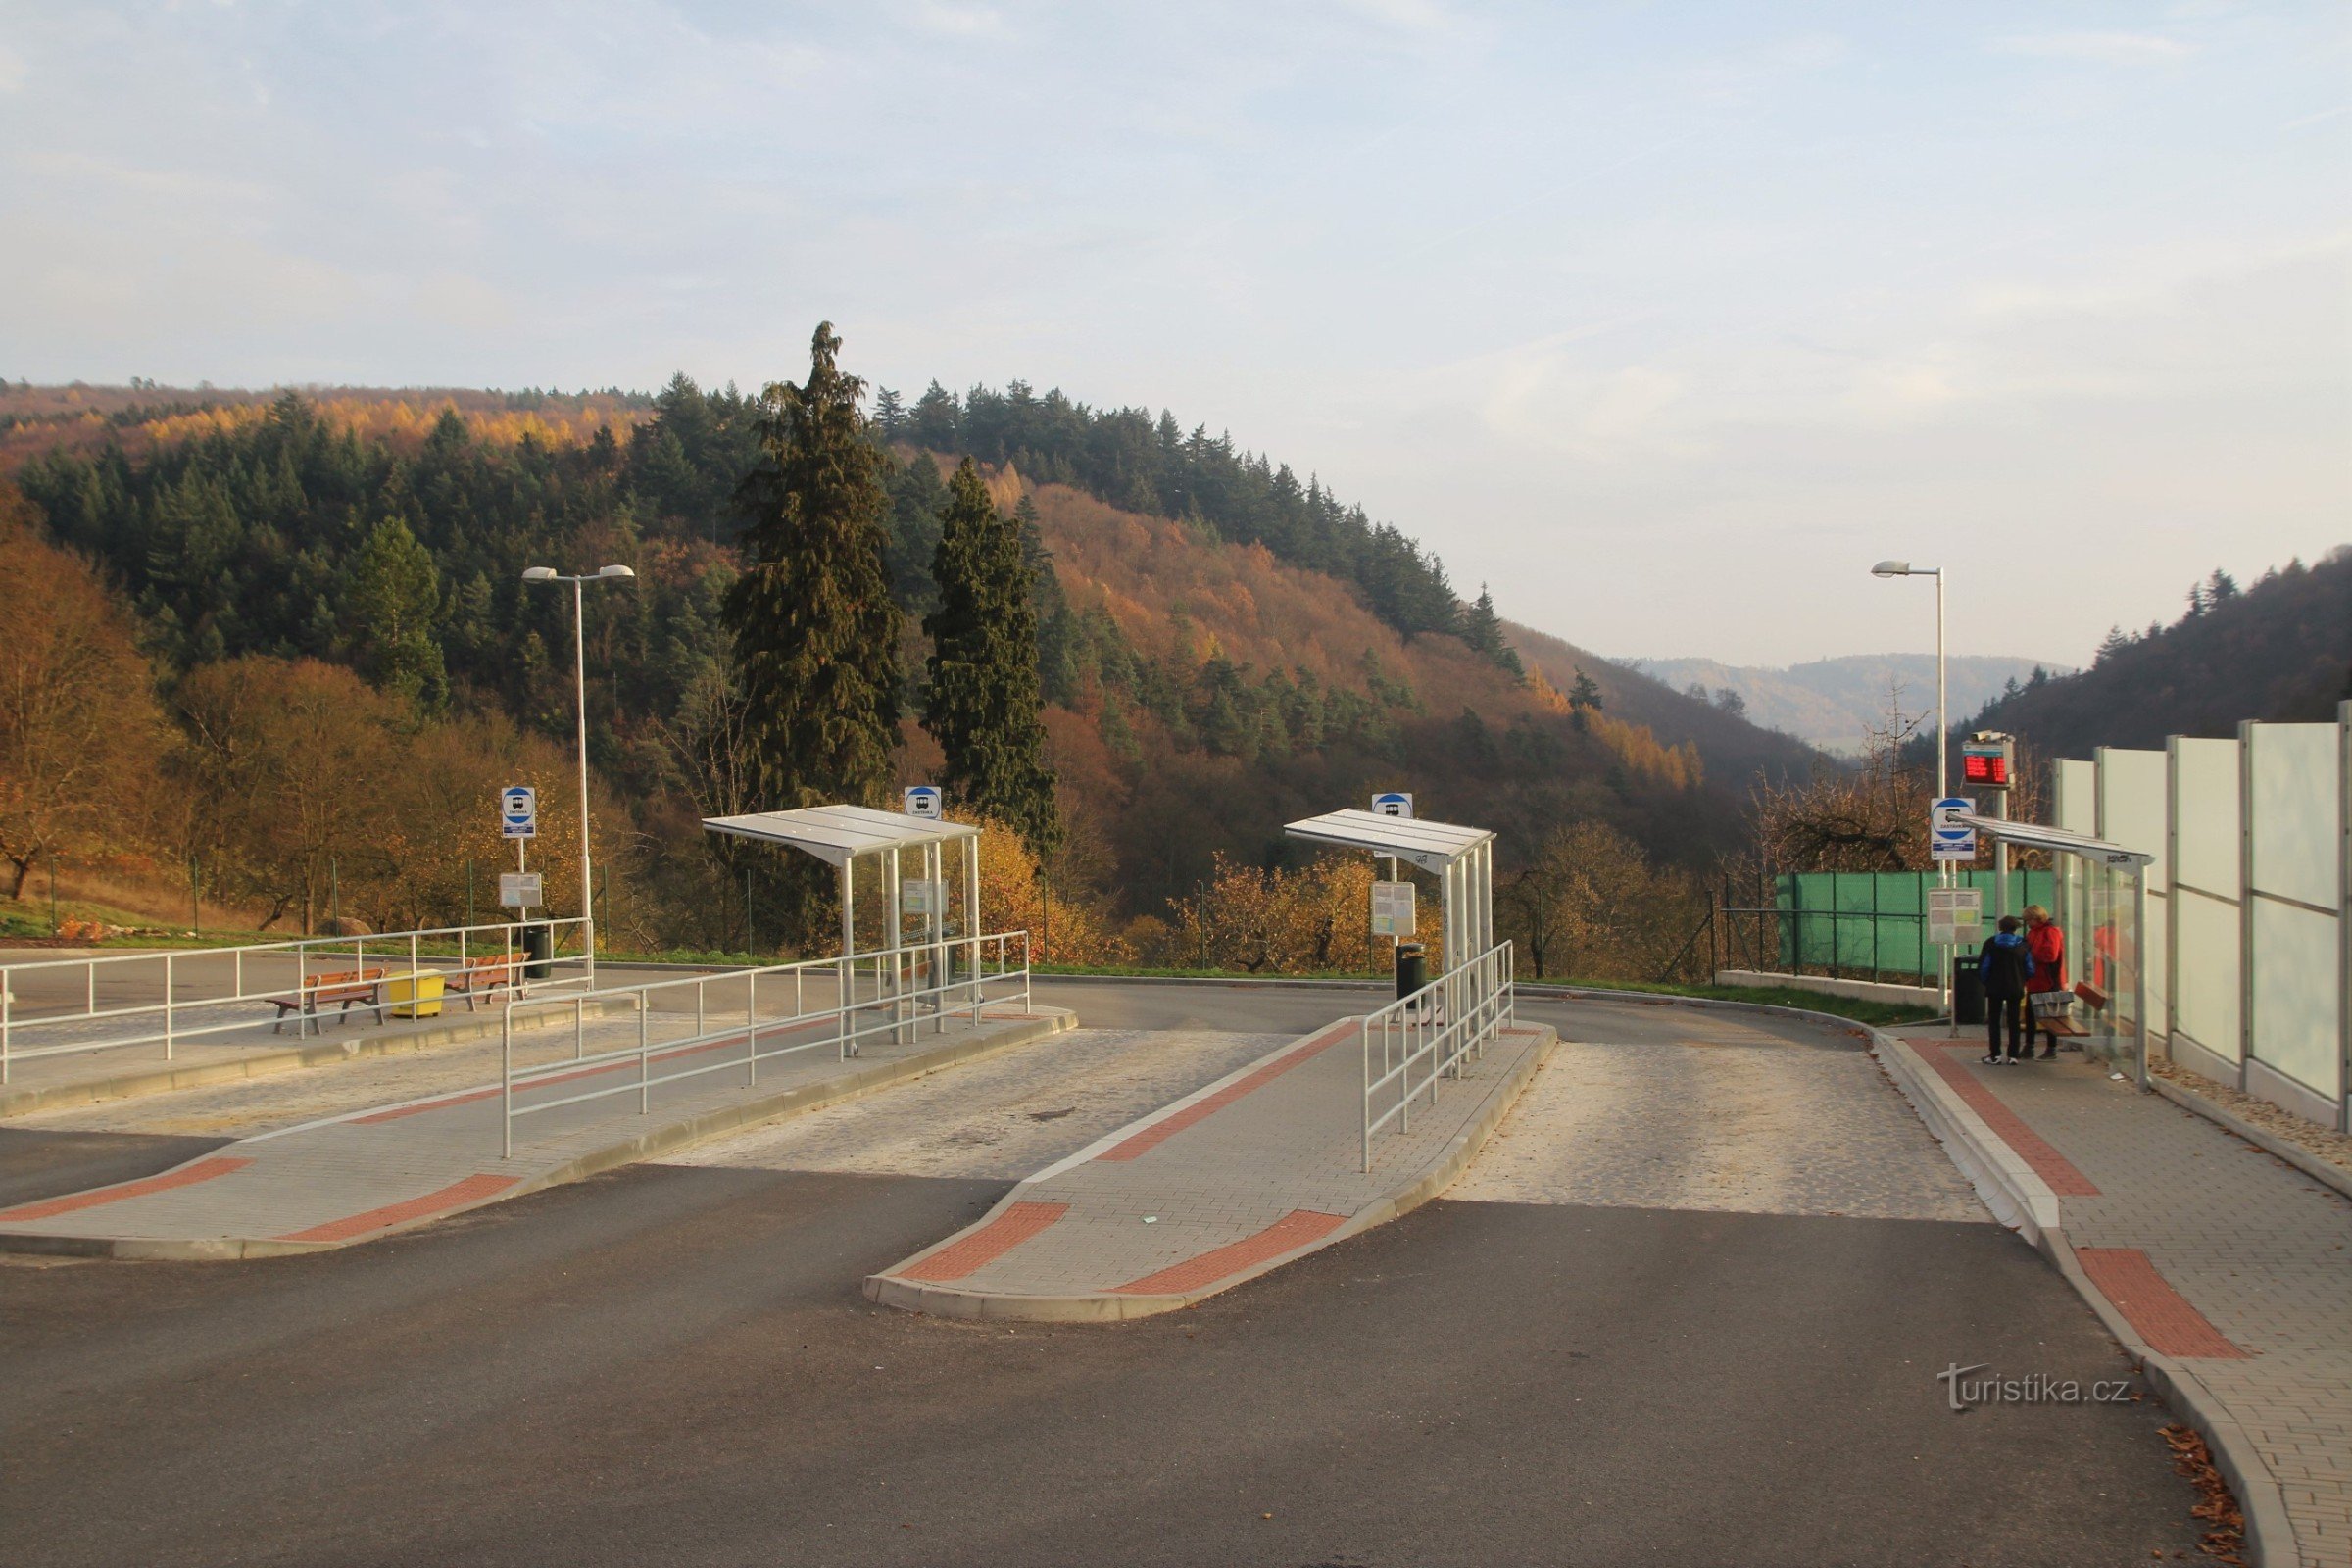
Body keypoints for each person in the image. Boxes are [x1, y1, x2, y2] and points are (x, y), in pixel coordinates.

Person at [1977, 914, 2035, 1064]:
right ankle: (2013, 1055)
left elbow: (1984, 967)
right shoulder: (2023, 944)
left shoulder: (1991, 943)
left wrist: (1987, 982)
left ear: (2000, 927)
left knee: (1994, 1021)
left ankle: (1995, 1055)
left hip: (1995, 987)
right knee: (2014, 1021)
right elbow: (2030, 968)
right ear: (2016, 928)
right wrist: (2022, 979)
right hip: (2015, 986)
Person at [2024, 904, 2067, 1059]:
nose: (2027, 923)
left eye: (2029, 919)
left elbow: (2051, 956)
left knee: (2049, 1016)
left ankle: (2051, 1047)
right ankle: (2030, 1046)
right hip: (2036, 979)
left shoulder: (2050, 932)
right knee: (2030, 1014)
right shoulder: (2033, 933)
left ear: (2037, 918)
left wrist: (2030, 955)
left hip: (2048, 979)